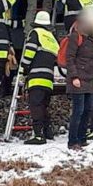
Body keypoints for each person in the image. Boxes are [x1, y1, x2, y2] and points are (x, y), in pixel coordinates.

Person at [19, 10, 60, 145]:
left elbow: (30, 51)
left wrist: (23, 68)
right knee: (43, 106)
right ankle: (48, 133)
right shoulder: (52, 38)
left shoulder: (35, 33)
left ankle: (38, 135)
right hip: (48, 79)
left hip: (36, 77)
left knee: (36, 106)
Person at [65, 6, 93, 150]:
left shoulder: (91, 38)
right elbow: (70, 57)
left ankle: (82, 138)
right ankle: (73, 141)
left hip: (88, 79)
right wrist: (74, 76)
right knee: (78, 111)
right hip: (78, 79)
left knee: (87, 110)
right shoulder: (76, 36)